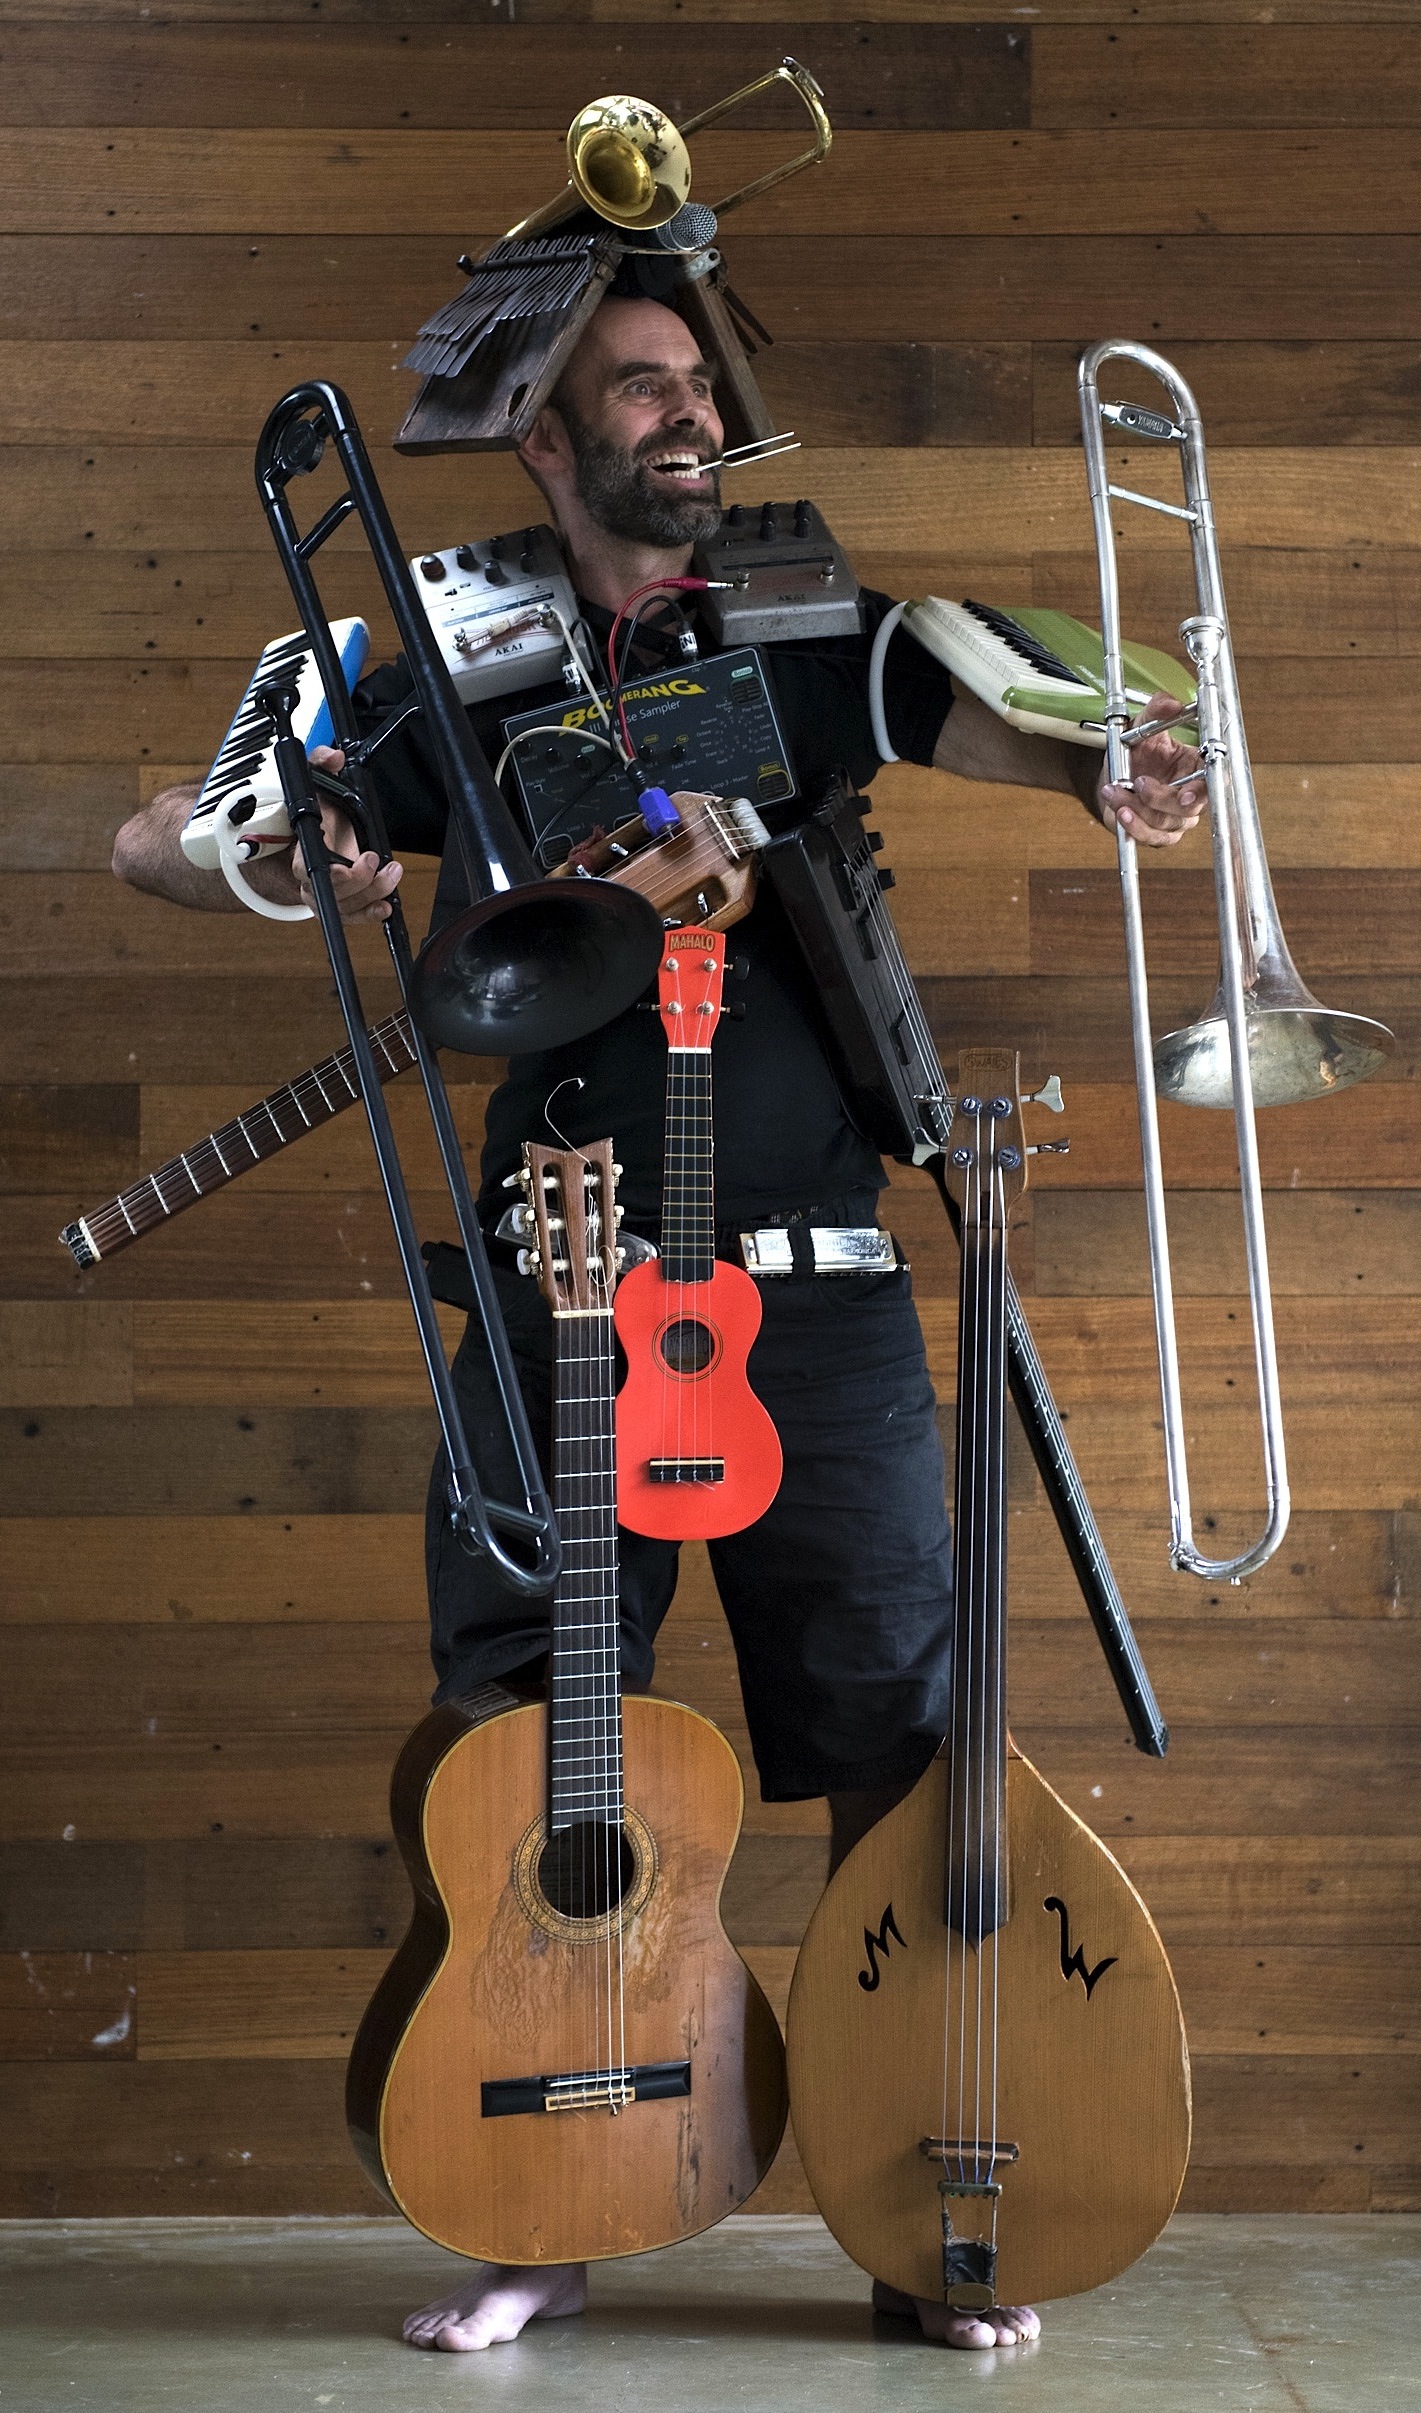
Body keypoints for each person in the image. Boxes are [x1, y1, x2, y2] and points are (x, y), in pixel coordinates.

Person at [113, 294, 1204, 2356]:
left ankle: (919, 2211)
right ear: (547, 438)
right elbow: (157, 839)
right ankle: (545, 2195)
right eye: (646, 386)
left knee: (897, 1740)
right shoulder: (454, 665)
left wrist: (1108, 771)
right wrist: (288, 851)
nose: (693, 413)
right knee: (531, 1729)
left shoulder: (800, 627)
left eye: (701, 384)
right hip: (563, 1285)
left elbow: (1015, 724)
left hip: (824, 1305)